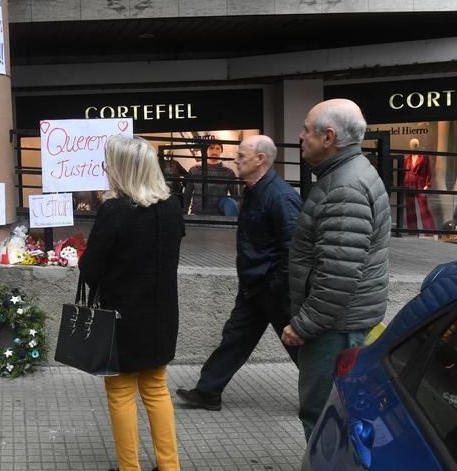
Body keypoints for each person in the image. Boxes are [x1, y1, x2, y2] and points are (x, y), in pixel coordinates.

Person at [281, 99, 390, 440]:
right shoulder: (349, 174)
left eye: (306, 129)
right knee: (341, 417)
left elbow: (338, 275)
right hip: (341, 322)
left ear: (328, 137)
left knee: (324, 418)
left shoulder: (344, 188)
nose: (300, 136)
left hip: (335, 329)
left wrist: (303, 325)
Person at [79, 135, 184, 471]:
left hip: (122, 320)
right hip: (162, 316)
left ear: (121, 169)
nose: (105, 168)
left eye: (108, 163)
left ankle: (130, 468)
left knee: (121, 393)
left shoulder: (113, 212)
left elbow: (91, 269)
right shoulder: (172, 208)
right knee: (156, 389)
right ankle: (169, 467)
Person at [176, 135, 300, 411]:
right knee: (235, 337)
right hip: (255, 285)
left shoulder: (280, 197)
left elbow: (294, 251)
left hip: (272, 288)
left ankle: (330, 395)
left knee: (300, 346)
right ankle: (208, 391)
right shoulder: (254, 191)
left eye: (242, 154)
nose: (236, 158)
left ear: (261, 159)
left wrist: (275, 285)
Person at [182, 142, 239, 215]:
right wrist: (184, 215)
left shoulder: (228, 173)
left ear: (221, 151)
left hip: (219, 216)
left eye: (217, 148)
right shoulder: (194, 170)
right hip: (197, 214)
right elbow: (187, 195)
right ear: (206, 150)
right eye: (211, 148)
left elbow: (235, 196)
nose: (214, 151)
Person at [404, 137, 436, 232]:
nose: (414, 146)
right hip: (408, 184)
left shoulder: (424, 157)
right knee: (410, 209)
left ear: (418, 145)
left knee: (423, 209)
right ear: (410, 146)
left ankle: (429, 231)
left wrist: (428, 184)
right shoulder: (408, 158)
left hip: (420, 185)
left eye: (415, 144)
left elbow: (428, 172)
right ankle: (412, 231)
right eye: (412, 144)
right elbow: (405, 172)